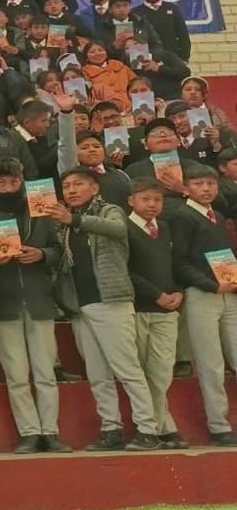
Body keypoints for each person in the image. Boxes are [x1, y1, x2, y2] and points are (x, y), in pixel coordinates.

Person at [45, 166, 162, 451]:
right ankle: (111, 429)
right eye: (67, 186)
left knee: (127, 368)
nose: (71, 190)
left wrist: (73, 219)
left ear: (95, 188)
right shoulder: (63, 222)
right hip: (79, 305)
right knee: (98, 374)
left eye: (78, 184)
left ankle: (148, 430)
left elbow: (119, 229)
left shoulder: (110, 210)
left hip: (111, 300)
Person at [0, 158, 70, 454]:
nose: (9, 188)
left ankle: (50, 432)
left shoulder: (41, 208)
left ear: (22, 179)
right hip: (2, 300)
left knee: (46, 372)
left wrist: (42, 255)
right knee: (16, 374)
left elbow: (59, 250)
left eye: (14, 182)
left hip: (39, 298)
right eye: (1, 182)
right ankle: (30, 433)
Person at [163, 163, 237, 447]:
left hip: (228, 292)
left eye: (210, 184)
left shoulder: (218, 215)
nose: (205, 189)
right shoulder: (182, 216)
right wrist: (211, 285)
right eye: (198, 184)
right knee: (211, 363)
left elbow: (224, 256)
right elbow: (179, 263)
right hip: (202, 294)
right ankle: (219, 426)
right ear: (186, 188)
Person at [123, 178, 189, 449]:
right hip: (138, 308)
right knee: (140, 371)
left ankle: (159, 425)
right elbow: (124, 269)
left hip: (167, 310)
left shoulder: (164, 228)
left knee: (162, 371)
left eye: (157, 200)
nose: (152, 204)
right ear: (131, 201)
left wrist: (178, 292)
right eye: (146, 199)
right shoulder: (124, 228)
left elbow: (175, 265)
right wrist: (156, 294)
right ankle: (156, 427)